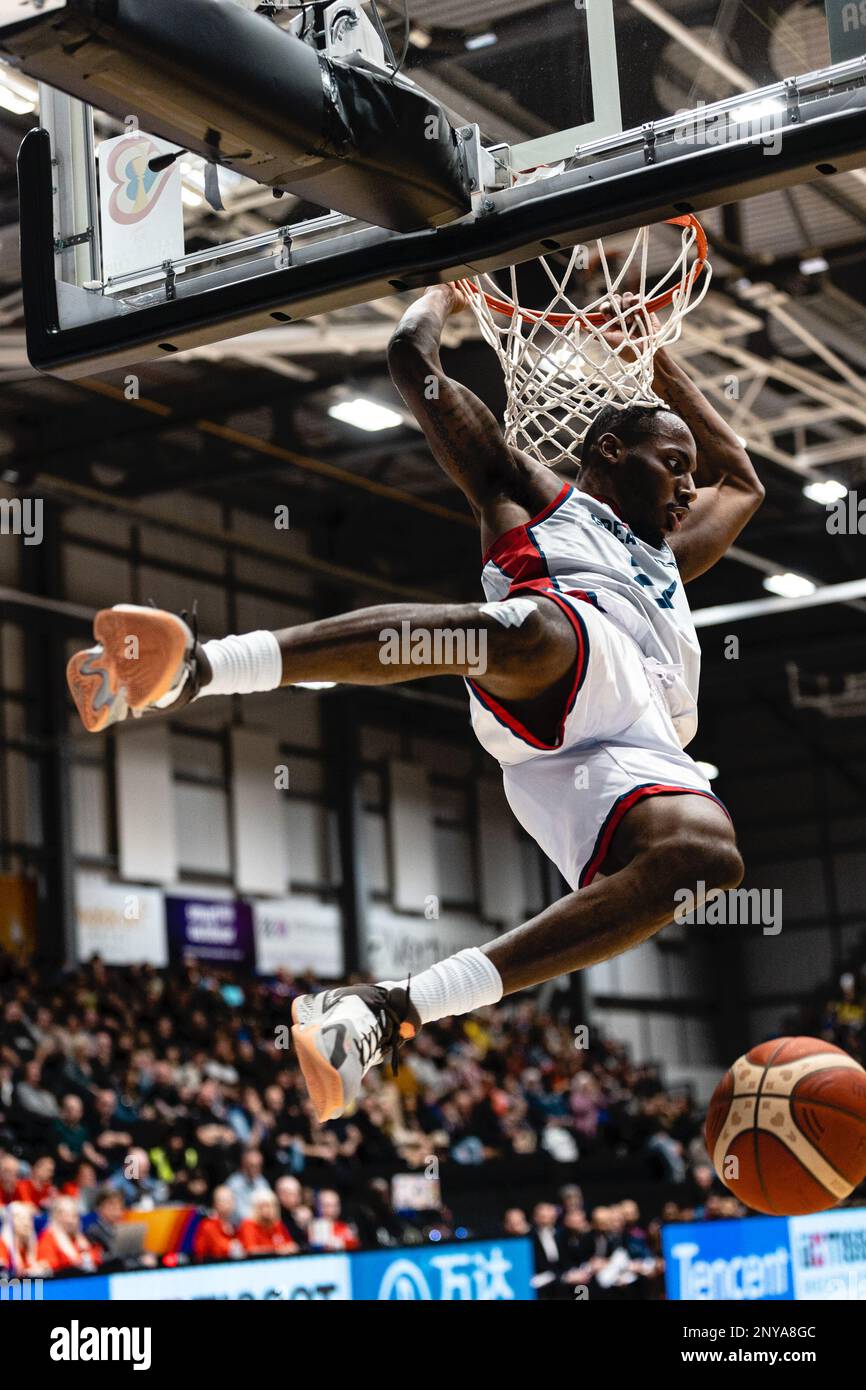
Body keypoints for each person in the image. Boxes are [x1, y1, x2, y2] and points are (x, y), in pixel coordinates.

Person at [66, 284, 761, 1123]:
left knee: (711, 861)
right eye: (671, 465)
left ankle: (386, 1010)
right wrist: (445, 288)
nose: (690, 487)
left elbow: (744, 478)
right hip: (556, 660)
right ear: (610, 454)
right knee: (540, 627)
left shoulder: (672, 555)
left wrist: (645, 345)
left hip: (640, 747)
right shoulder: (536, 495)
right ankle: (198, 668)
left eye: (690, 472)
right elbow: (411, 363)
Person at [36, 1195, 102, 1275]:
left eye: (74, 1215)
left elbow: (97, 1258)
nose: (70, 1220)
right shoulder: (47, 1239)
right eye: (66, 1215)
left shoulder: (85, 1237)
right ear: (55, 1217)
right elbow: (51, 1269)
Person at [237, 1191, 297, 1257]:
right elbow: (251, 1251)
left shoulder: (278, 1224)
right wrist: (277, 1251)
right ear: (255, 1208)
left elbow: (291, 1246)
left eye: (269, 1206)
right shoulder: (248, 1225)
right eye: (261, 1206)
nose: (266, 1210)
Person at [193, 1185, 243, 1262]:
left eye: (230, 1200)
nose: (227, 1204)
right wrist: (230, 1248)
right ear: (214, 1204)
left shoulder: (237, 1224)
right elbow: (200, 1254)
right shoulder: (207, 1225)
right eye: (223, 1201)